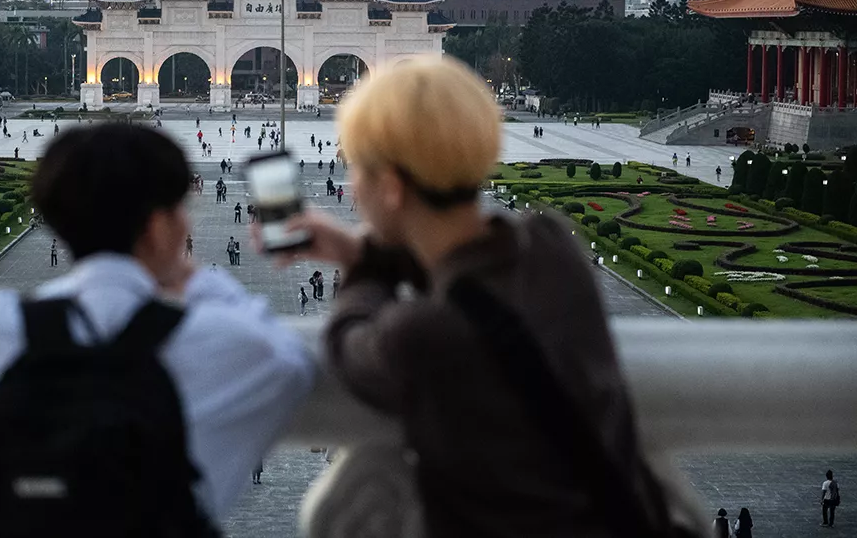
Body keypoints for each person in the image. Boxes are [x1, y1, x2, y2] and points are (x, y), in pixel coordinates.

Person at [278, 56, 693, 538]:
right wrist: (371, 247)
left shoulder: (421, 336)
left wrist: (361, 264)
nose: (350, 189)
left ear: (391, 189)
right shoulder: (552, 247)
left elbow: (350, 340)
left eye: (358, 172)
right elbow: (474, 268)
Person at [0, 124, 313, 532]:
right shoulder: (218, 341)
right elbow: (290, 362)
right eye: (180, 210)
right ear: (158, 226)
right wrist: (191, 275)